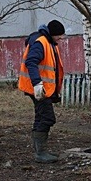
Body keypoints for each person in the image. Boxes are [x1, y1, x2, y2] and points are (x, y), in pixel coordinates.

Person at [18, 20, 65, 163]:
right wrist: (37, 84)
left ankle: (40, 151)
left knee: (40, 117)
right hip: (39, 89)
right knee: (47, 118)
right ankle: (41, 153)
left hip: (43, 89)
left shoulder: (48, 42)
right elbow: (31, 62)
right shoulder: (40, 42)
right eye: (59, 36)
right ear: (53, 33)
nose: (60, 38)